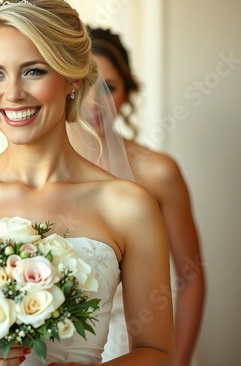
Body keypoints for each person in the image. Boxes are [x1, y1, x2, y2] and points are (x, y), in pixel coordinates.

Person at [0, 0, 174, 366]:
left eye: (33, 71)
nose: (12, 94)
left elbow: (158, 353)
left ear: (73, 79)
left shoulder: (128, 205)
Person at [87, 27, 205, 366]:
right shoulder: (38, 172)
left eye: (109, 87)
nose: (97, 102)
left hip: (138, 346)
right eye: (85, 85)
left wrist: (178, 361)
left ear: (128, 91)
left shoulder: (158, 172)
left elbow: (191, 275)